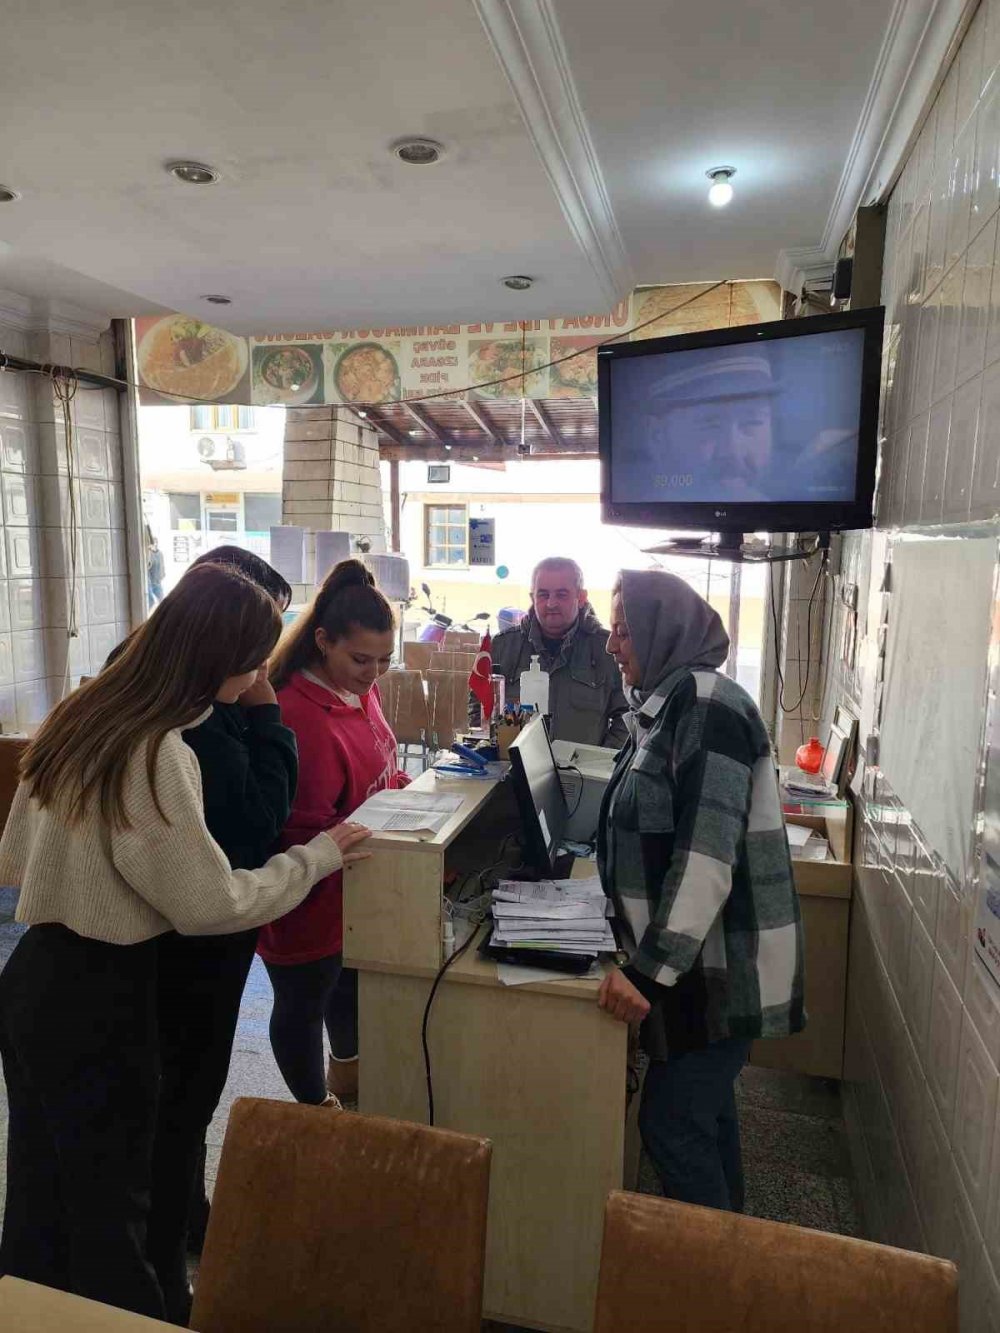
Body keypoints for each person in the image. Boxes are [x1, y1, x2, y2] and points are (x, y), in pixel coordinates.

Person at [0, 563, 370, 1322]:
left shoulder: (80, 711)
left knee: (38, 1191)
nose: (258, 678)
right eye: (254, 660)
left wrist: (92, 866)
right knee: (116, 1209)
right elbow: (210, 902)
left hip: (32, 974)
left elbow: (13, 855)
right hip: (106, 990)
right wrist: (317, 856)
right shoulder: (158, 747)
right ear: (217, 657)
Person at [104, 545, 297, 1278]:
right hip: (187, 939)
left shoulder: (138, 683)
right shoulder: (182, 722)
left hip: (143, 939)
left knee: (172, 1101)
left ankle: (183, 1217)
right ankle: (163, 1269)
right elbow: (255, 821)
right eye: (254, 657)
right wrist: (269, 715)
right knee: (178, 1099)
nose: (261, 674)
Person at [596, 568, 804, 1213]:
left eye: (625, 630)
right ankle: (731, 1262)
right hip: (691, 962)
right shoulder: (668, 704)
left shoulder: (707, 705)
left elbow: (706, 856)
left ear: (665, 630)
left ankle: (712, 1282)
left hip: (708, 969)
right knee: (706, 1118)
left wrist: (648, 973)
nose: (612, 645)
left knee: (672, 1124)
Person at [262, 559, 407, 1106]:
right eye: (361, 659)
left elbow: (381, 766)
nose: (373, 673)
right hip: (308, 888)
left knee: (345, 990)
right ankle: (313, 1109)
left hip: (356, 885)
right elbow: (301, 831)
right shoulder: (299, 714)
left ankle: (347, 1076)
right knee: (302, 1002)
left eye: (384, 661)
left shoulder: (359, 689)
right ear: (322, 642)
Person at [490, 557, 628, 748]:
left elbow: (628, 716)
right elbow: (480, 706)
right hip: (513, 771)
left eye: (561, 594)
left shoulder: (608, 650)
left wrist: (602, 761)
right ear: (532, 598)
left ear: (581, 597)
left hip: (580, 774)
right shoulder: (504, 647)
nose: (551, 603)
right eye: (543, 595)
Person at [147, 537, 165, 608]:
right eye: (153, 542)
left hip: (157, 582)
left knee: (162, 601)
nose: (155, 544)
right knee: (151, 601)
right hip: (150, 582)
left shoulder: (160, 553)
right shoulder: (149, 553)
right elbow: (147, 566)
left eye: (156, 542)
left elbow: (162, 565)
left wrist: (162, 575)